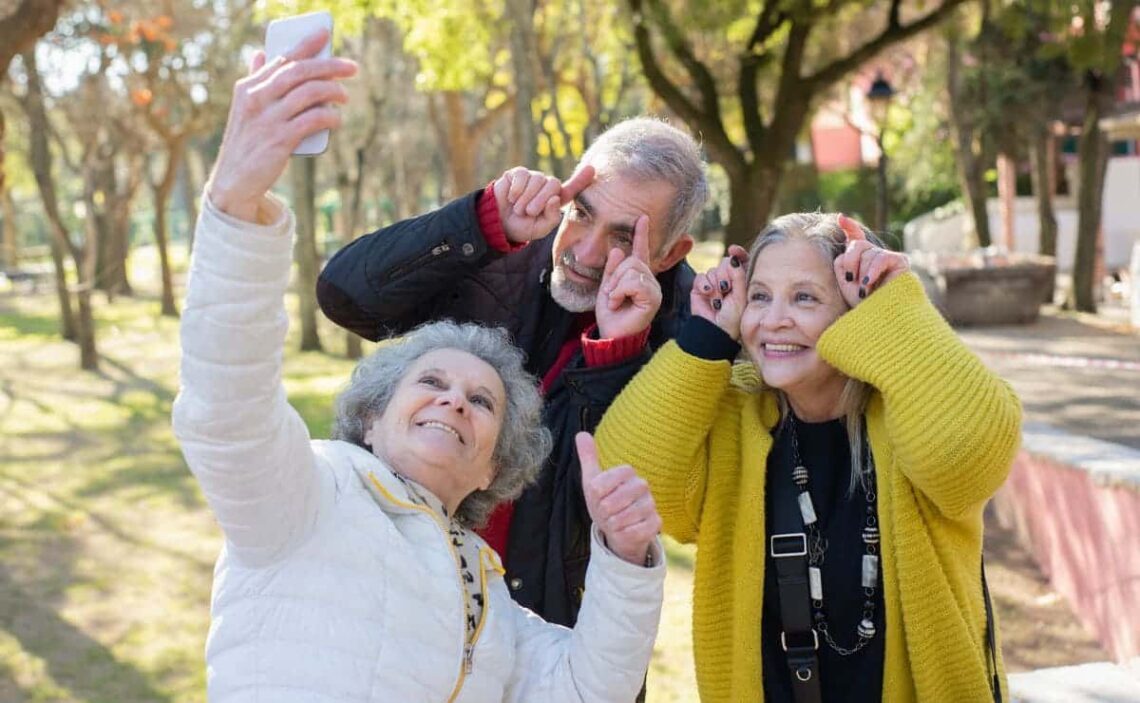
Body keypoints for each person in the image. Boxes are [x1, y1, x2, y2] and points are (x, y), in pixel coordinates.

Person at [172, 30, 666, 702]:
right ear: (371, 418)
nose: (455, 400)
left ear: (496, 466)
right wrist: (234, 206)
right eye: (431, 381)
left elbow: (588, 687)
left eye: (482, 401)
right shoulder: (307, 498)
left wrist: (627, 559)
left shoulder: (487, 596)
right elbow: (225, 408)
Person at [592, 212, 1022, 702]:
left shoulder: (910, 410)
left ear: (855, 311)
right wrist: (706, 336)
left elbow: (965, 455)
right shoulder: (735, 419)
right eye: (759, 296)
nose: (774, 319)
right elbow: (625, 478)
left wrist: (897, 306)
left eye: (804, 297)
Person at [317, 110, 708, 627]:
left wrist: (618, 349)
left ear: (670, 253)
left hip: (556, 635)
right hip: (413, 601)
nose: (585, 252)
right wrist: (481, 221)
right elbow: (346, 298)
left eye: (621, 237)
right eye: (583, 213)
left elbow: (605, 499)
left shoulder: (690, 335)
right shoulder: (501, 249)